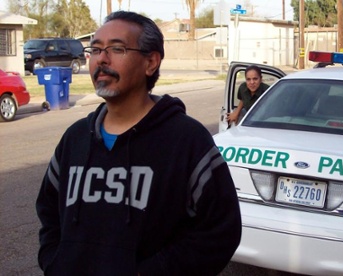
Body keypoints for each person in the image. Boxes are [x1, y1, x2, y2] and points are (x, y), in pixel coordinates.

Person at [36, 11, 241, 276]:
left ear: (151, 62)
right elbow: (48, 210)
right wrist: (56, 262)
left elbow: (220, 230)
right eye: (96, 49)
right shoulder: (75, 139)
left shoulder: (186, 140)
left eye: (117, 48)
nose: (102, 59)